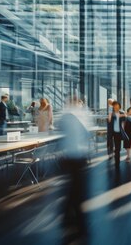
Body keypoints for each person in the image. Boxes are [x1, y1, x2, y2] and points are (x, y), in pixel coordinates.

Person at [58, 97, 92, 241]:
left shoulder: (68, 117)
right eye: (79, 103)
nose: (81, 105)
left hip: (74, 156)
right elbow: (85, 134)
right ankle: (79, 222)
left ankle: (67, 216)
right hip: (74, 156)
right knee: (77, 188)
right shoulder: (73, 116)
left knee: (74, 188)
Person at [108, 101, 129, 167]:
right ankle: (113, 157)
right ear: (113, 107)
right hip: (113, 132)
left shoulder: (122, 113)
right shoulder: (111, 114)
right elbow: (109, 121)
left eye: (117, 106)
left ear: (119, 107)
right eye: (114, 106)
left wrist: (122, 115)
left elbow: (125, 118)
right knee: (112, 146)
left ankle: (117, 161)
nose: (116, 107)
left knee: (118, 148)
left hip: (119, 133)